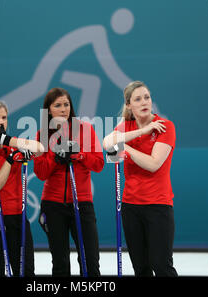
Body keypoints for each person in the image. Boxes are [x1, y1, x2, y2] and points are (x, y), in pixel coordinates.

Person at [103, 81, 178, 277]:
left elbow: (153, 164)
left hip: (158, 206)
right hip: (130, 207)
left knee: (162, 266)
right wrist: (142, 131)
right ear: (129, 105)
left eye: (147, 97)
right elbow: (106, 142)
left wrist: (125, 146)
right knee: (141, 269)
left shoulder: (165, 126)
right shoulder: (126, 126)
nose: (145, 102)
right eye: (138, 99)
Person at [34, 87, 104, 276]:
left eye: (66, 104)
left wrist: (78, 154)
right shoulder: (42, 134)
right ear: (49, 110)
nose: (64, 109)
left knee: (90, 259)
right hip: (53, 204)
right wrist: (55, 158)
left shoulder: (84, 129)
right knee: (60, 261)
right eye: (58, 105)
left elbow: (98, 164)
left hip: (81, 203)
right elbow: (40, 173)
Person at [0, 100, 44, 277]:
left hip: (18, 216)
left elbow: (40, 148)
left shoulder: (12, 143)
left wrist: (7, 140)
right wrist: (10, 159)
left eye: (4, 118)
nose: (1, 122)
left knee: (25, 270)